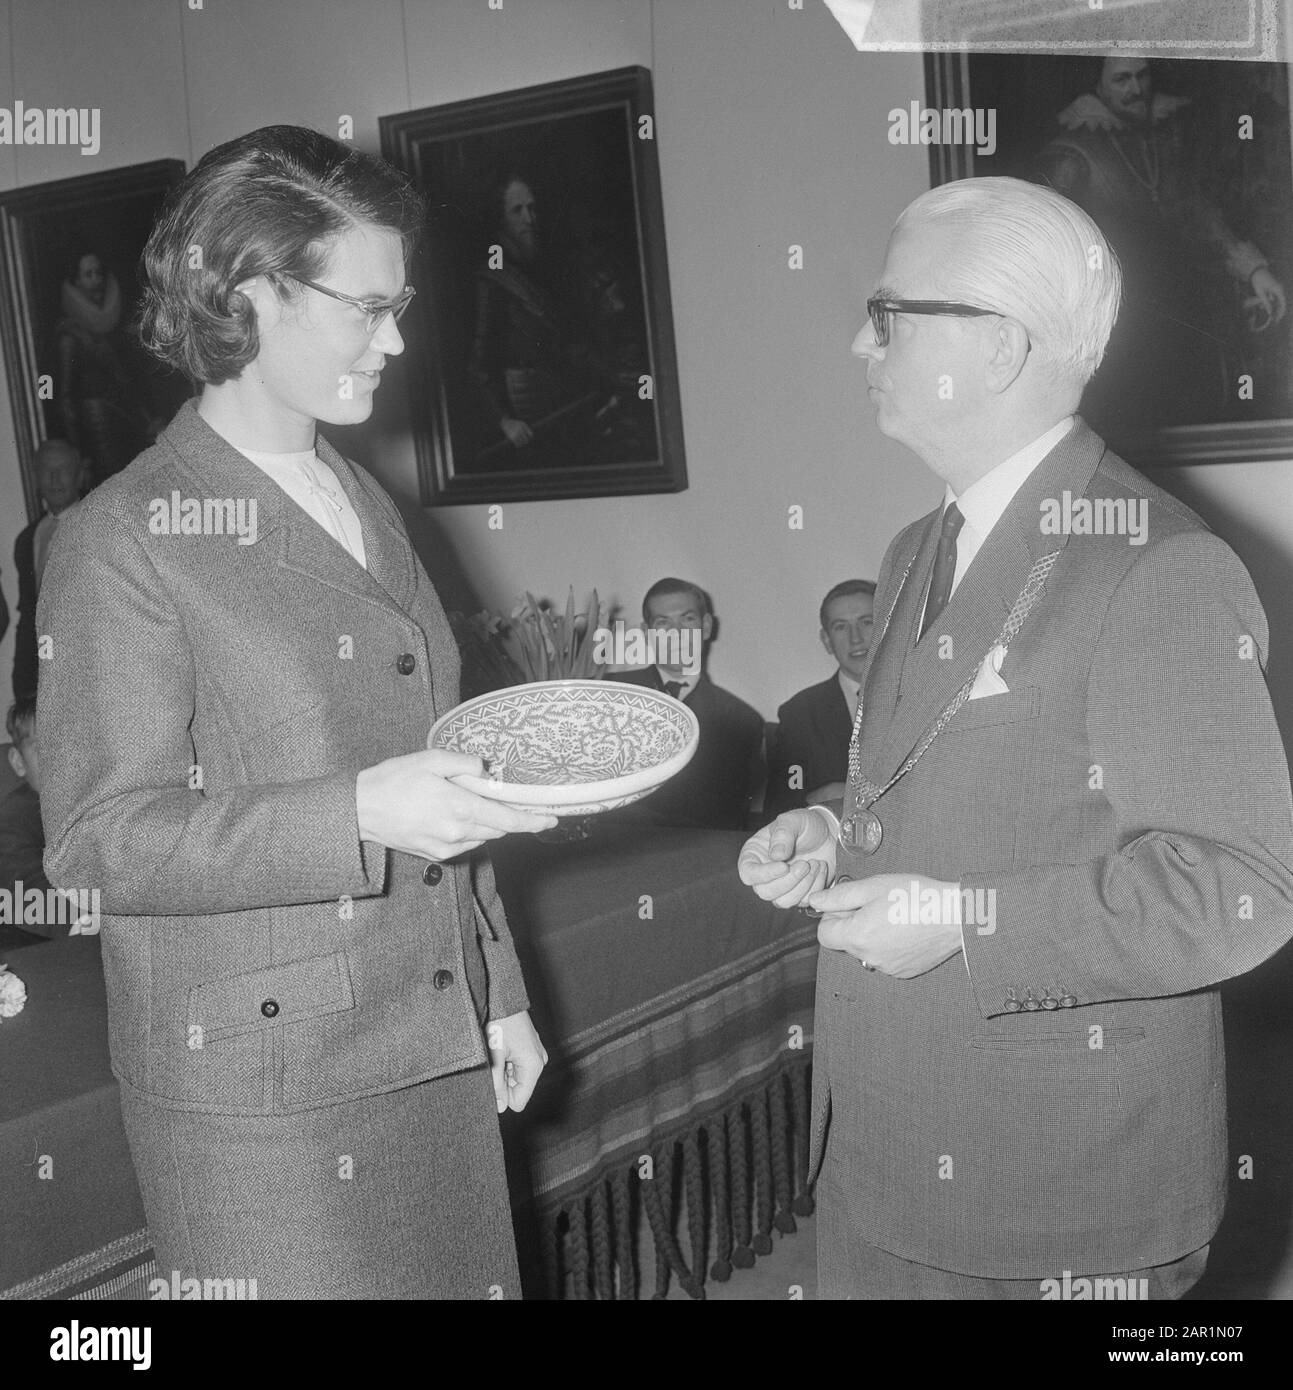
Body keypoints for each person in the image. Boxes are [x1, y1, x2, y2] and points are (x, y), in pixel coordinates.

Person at [739, 176, 1293, 1299]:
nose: (860, 341)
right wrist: (832, 831)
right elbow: (952, 791)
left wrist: (957, 920)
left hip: (1052, 1187)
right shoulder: (915, 548)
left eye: (888, 314)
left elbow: (1239, 891)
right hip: (887, 1142)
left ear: (996, 348)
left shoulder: (1158, 565)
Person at [37, 126, 558, 1300]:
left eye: (403, 303)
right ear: (255, 294)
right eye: (369, 307)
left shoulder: (363, 496)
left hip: (426, 1040)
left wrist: (500, 992)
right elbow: (96, 839)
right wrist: (361, 809)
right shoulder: (120, 538)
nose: (401, 338)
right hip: (262, 1093)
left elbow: (443, 763)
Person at [1033, 56, 1287, 433]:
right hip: (1114, 323)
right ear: (1098, 87)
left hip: (1179, 309)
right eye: (1122, 79)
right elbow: (1048, 248)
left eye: (1141, 76)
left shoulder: (1164, 142)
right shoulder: (1072, 154)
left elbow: (1196, 212)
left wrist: (1255, 270)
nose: (1136, 89)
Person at [468, 173, 618, 466]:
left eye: (532, 208)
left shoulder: (538, 268)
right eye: (517, 210)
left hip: (562, 400)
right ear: (500, 219)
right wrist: (504, 421)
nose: (529, 219)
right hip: (526, 412)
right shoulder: (493, 280)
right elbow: (479, 363)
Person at [608, 578, 764, 830]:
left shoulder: (741, 721)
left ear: (706, 626)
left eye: (687, 620)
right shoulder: (609, 693)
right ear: (647, 633)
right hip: (608, 850)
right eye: (663, 622)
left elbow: (727, 820)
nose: (675, 633)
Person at [766, 580, 875, 818]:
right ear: (826, 640)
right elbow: (786, 794)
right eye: (840, 627)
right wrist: (811, 798)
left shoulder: (922, 702)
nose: (855, 638)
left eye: (867, 623)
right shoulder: (799, 714)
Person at [53, 250, 155, 487]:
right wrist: (78, 453)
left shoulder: (116, 328)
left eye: (99, 272)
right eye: (88, 275)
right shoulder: (69, 336)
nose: (97, 280)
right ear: (76, 283)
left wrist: (147, 419)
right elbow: (64, 400)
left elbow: (129, 382)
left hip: (125, 422)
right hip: (97, 427)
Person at [12, 439, 87, 703]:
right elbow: (27, 617)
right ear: (36, 478)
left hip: (90, 675)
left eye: (63, 468)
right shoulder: (27, 539)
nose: (55, 477)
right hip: (44, 684)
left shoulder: (100, 526)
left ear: (80, 474)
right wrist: (21, 682)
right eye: (46, 469)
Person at [0, 698, 50, 950]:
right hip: (28, 932)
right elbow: (28, 892)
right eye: (42, 749)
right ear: (19, 762)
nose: (59, 759)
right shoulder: (15, 817)